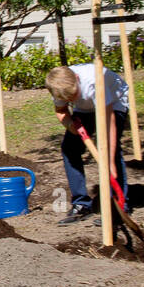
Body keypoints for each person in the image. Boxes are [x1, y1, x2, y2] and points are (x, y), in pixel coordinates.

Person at [46, 64, 130, 225]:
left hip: (115, 102)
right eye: (68, 99)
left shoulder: (94, 81)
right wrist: (72, 127)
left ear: (77, 79)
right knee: (70, 148)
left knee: (111, 151)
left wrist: (110, 162)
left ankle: (119, 206)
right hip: (85, 108)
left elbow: (108, 122)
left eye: (73, 95)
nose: (70, 100)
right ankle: (81, 203)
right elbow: (61, 111)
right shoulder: (58, 86)